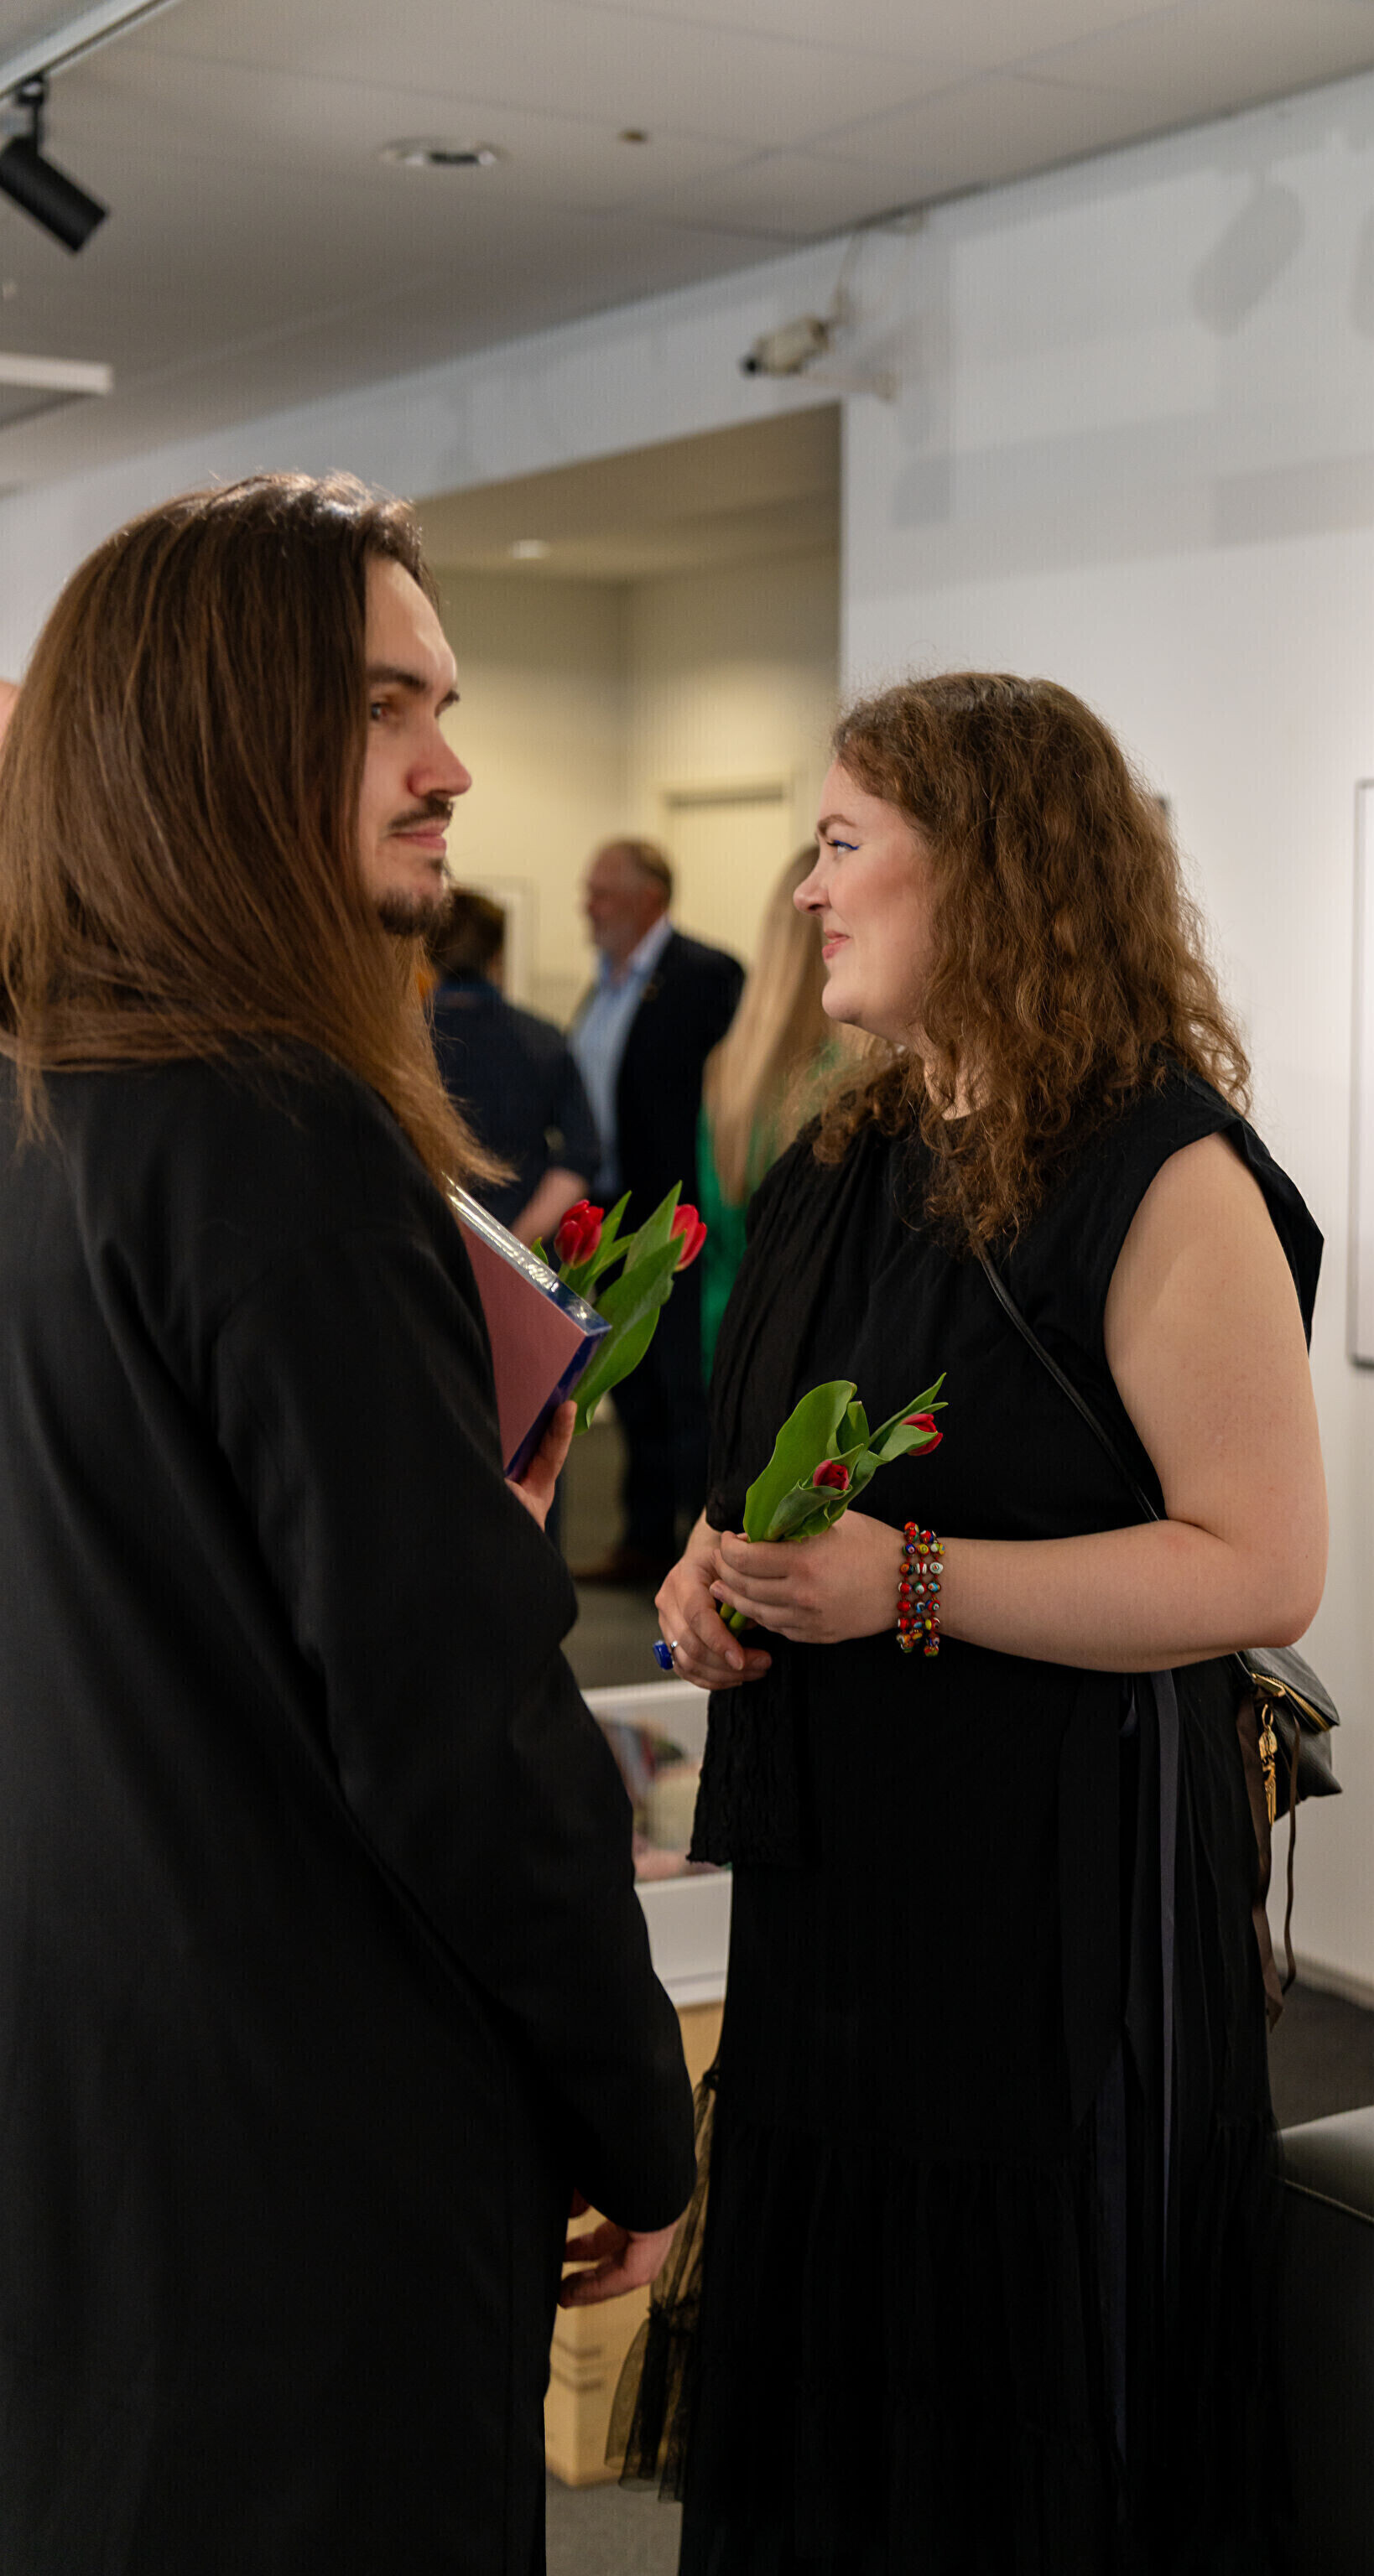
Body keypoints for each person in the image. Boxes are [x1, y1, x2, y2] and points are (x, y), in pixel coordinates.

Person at [0, 474, 695, 2575]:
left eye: (442, 703)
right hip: (307, 2138)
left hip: (97, 2087)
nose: (450, 762)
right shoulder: (283, 1136)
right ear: (219, 731)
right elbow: (455, 1723)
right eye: (388, 705)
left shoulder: (59, 1105)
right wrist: (634, 2109)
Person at [631, 673, 1329, 2573]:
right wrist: (712, 1574)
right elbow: (763, 1474)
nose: (804, 890)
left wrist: (912, 1581)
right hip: (842, 1907)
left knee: (1014, 2414)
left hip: (1051, 1936)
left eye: (841, 844)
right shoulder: (839, 1161)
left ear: (990, 875)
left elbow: (1259, 1566)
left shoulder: (1167, 1176)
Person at [570, 838, 742, 1586]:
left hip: (678, 1222)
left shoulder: (706, 977)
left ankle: (700, 1555)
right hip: (611, 1217)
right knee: (629, 1383)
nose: (588, 906)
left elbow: (726, 1100)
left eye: (602, 892)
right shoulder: (603, 986)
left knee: (683, 1385)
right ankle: (643, 1541)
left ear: (650, 899)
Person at [695, 842, 846, 1374]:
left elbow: (717, 1233)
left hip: (729, 1333)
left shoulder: (729, 1066)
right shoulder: (851, 1080)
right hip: (816, 1358)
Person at [427, 885, 599, 1244]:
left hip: (426, 1246)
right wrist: (517, 1244)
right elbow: (581, 1153)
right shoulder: (543, 1039)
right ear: (498, 956)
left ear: (427, 953)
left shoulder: (401, 1043)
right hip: (522, 1240)